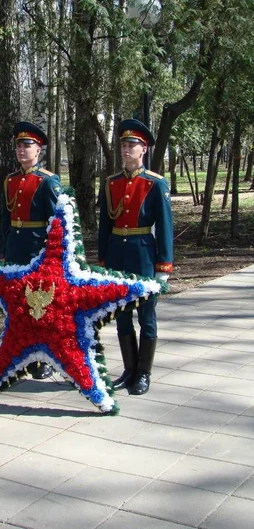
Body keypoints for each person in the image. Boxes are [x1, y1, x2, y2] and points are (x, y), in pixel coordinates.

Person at [98, 118, 173, 395]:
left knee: (146, 315)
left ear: (143, 149)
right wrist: (103, 260)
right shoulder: (111, 183)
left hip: (143, 252)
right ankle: (129, 370)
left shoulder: (155, 184)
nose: (126, 149)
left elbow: (165, 226)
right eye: (123, 145)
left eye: (132, 145)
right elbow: (105, 224)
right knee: (122, 315)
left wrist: (163, 264)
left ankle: (144, 373)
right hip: (117, 253)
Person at [0, 121, 62, 379]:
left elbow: (56, 222)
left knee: (41, 309)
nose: (21, 150)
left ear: (39, 150)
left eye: (27, 145)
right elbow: (5, 219)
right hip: (16, 251)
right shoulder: (10, 181)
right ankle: (24, 357)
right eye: (18, 146)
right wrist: (4, 250)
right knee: (18, 309)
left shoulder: (47, 182)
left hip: (38, 252)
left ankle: (44, 359)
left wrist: (52, 256)